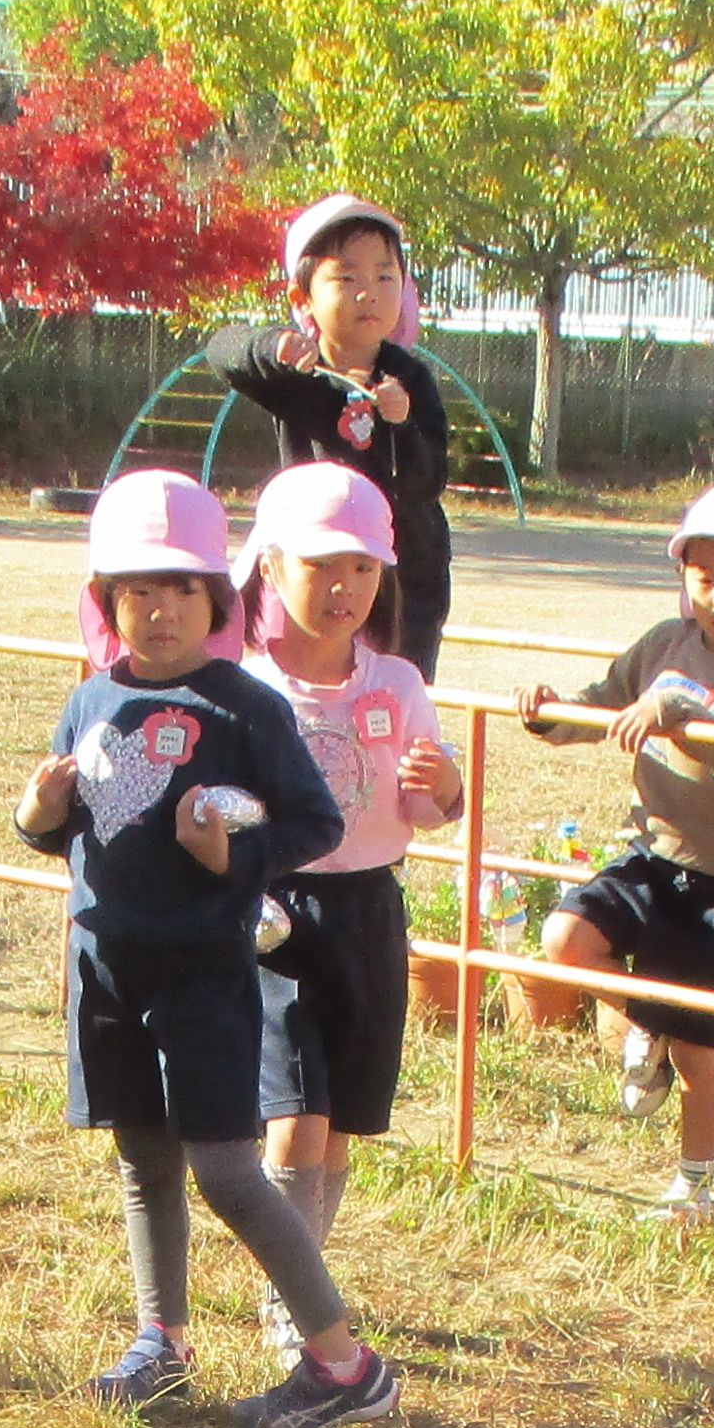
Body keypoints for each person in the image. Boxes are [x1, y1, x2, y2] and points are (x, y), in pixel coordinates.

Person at [14, 472, 391, 1428]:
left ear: (218, 601)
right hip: (106, 969)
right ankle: (162, 1341)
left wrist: (233, 852)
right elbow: (85, 832)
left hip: (206, 976)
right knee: (143, 1163)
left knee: (227, 1172)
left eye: (181, 588)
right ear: (107, 602)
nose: (159, 608)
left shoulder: (242, 708)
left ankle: (344, 1365)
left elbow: (313, 820)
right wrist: (38, 816)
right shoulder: (90, 699)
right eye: (137, 589)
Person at [516, 486, 714, 1226]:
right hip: (651, 853)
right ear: (683, 577)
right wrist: (546, 714)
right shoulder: (662, 644)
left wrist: (678, 710)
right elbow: (603, 705)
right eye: (705, 576)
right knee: (565, 939)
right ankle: (645, 1020)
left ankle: (695, 1186)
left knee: (696, 1047)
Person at [237, 461, 462, 1278]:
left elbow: (424, 811)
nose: (345, 587)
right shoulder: (243, 688)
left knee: (335, 1133)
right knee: (295, 1119)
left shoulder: (398, 684)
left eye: (363, 567)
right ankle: (290, 1304)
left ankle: (300, 1279)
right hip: (274, 918)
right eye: (321, 565)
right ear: (269, 566)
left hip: (369, 912)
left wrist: (447, 788)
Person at [222, 195, 454, 674]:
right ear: (301, 298)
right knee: (309, 684)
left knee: (394, 693)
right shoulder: (297, 374)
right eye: (346, 278)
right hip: (315, 566)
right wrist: (272, 346)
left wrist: (402, 425)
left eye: (385, 277)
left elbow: (429, 481)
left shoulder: (411, 378)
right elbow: (222, 350)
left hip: (403, 572)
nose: (368, 292)